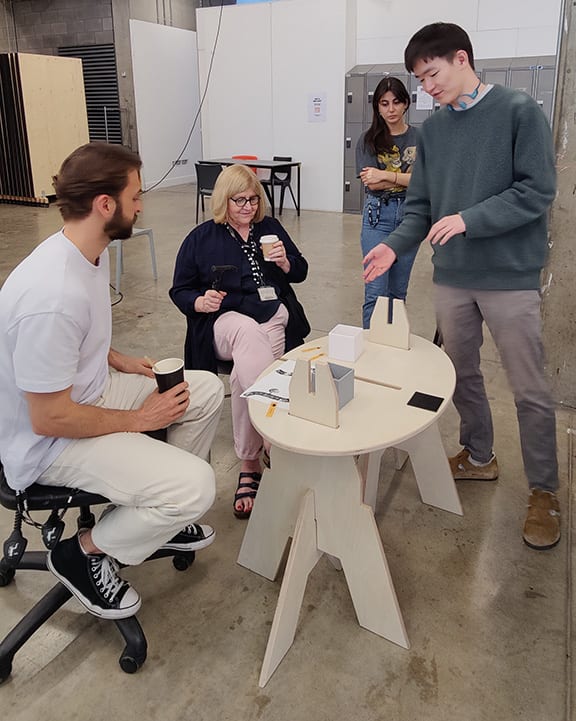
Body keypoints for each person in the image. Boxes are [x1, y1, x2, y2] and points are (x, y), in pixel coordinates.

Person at [0, 142, 225, 620]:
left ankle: (155, 518)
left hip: (86, 392)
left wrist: (120, 360)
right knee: (197, 487)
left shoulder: (86, 251)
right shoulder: (52, 294)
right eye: (136, 196)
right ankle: (83, 552)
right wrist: (139, 419)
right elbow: (48, 417)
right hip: (49, 443)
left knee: (201, 389)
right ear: (106, 204)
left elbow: (74, 344)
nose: (142, 205)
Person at [363, 23, 559, 550]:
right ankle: (479, 457)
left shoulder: (519, 112)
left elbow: (538, 190)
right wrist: (393, 247)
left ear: (461, 58)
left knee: (529, 388)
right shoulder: (437, 132)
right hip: (453, 278)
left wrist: (472, 218)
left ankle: (544, 491)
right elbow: (422, 206)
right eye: (420, 81)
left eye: (432, 75)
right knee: (462, 374)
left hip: (508, 277)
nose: (427, 88)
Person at [170, 164, 309, 519]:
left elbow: (302, 270)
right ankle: (277, 442)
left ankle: (250, 464)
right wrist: (199, 302)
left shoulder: (270, 229)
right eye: (239, 200)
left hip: (272, 316)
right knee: (248, 335)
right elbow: (180, 290)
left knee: (247, 373)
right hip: (224, 323)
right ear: (223, 200)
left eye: (252, 199)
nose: (248, 207)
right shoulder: (201, 238)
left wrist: (286, 263)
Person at [356, 76, 420, 329]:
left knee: (398, 293)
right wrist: (406, 179)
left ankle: (391, 350)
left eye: (396, 102)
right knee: (375, 291)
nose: (390, 109)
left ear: (405, 104)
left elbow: (426, 183)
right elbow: (371, 184)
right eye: (384, 104)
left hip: (409, 216)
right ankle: (370, 351)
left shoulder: (420, 137)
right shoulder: (368, 139)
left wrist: (385, 174)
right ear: (377, 108)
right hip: (376, 216)